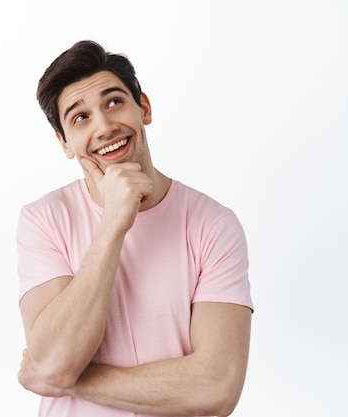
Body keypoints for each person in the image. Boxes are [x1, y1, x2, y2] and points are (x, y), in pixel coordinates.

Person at [16, 40, 254, 417]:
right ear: (64, 142)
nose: (105, 127)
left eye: (114, 102)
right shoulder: (43, 219)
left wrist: (71, 381)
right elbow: (54, 361)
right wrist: (113, 222)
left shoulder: (213, 224)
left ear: (143, 107)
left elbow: (217, 388)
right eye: (80, 118)